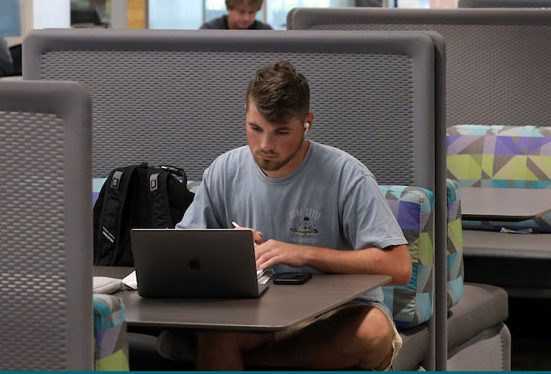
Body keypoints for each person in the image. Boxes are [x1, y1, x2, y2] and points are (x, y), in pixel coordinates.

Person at [169, 60, 412, 370]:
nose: (265, 145)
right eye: (255, 129)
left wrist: (305, 254)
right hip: (253, 316)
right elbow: (179, 257)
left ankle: (250, 364)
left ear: (307, 123)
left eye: (281, 132)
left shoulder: (347, 174)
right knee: (216, 331)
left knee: (373, 330)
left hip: (332, 317)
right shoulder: (224, 170)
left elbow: (399, 267)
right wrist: (224, 247)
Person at [200, 0, 273, 30]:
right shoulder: (209, 31)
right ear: (229, 8)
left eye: (251, 12)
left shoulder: (266, 33)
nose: (246, 18)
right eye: (241, 12)